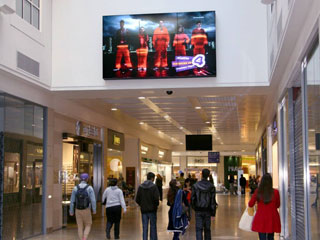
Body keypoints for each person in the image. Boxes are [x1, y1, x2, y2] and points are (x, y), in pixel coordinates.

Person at [248, 173, 281, 240]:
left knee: (262, 237)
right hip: (272, 217)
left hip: (261, 217)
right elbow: (278, 205)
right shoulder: (276, 192)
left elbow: (250, 204)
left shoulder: (258, 192)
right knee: (271, 236)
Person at [191, 169, 217, 240]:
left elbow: (192, 199)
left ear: (201, 174)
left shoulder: (195, 185)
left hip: (198, 210)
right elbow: (212, 201)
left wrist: (195, 208)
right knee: (207, 229)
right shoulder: (211, 186)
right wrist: (213, 213)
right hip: (207, 210)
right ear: (208, 175)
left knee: (198, 229)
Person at [69, 173, 96, 240]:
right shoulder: (90, 188)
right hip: (86, 209)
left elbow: (72, 201)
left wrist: (71, 211)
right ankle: (85, 237)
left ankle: (81, 239)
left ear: (80, 179)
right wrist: (94, 210)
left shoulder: (75, 188)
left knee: (80, 226)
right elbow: (93, 200)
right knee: (88, 224)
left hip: (77, 210)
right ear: (87, 179)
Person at [135, 172, 160, 240]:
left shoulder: (140, 186)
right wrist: (156, 205)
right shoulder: (154, 187)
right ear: (152, 178)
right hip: (152, 210)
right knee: (153, 226)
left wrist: (142, 205)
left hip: (144, 210)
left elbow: (137, 199)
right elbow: (156, 199)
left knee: (144, 227)